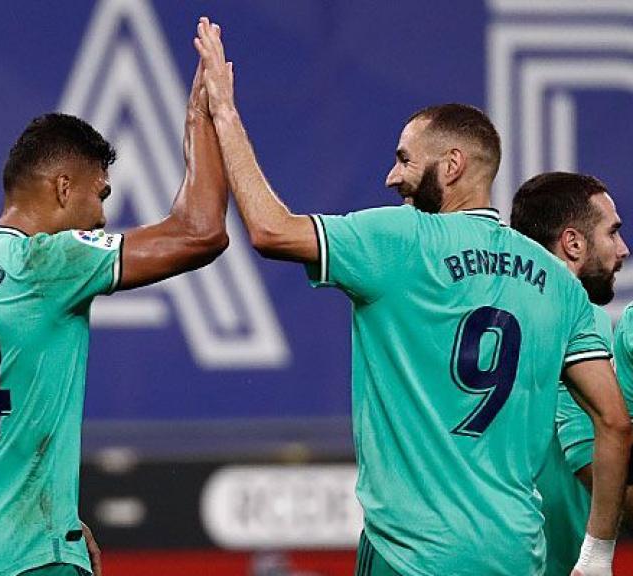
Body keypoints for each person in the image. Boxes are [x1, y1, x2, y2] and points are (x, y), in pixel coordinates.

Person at [193, 17, 631, 576]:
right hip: (517, 555)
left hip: (413, 556)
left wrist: (225, 111)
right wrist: (596, 555)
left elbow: (270, 230)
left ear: (451, 166)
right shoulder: (558, 283)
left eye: (404, 158)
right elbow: (614, 422)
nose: (390, 177)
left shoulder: (402, 241)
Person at [0, 58, 228, 576]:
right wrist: (205, 118)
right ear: (64, 188)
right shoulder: (49, 260)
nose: (102, 217)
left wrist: (48, 503)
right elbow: (200, 233)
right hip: (21, 558)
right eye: (101, 194)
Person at [509, 172, 630, 575]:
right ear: (573, 242)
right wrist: (598, 555)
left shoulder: (494, 306)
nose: (623, 249)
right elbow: (594, 464)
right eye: (612, 233)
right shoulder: (579, 314)